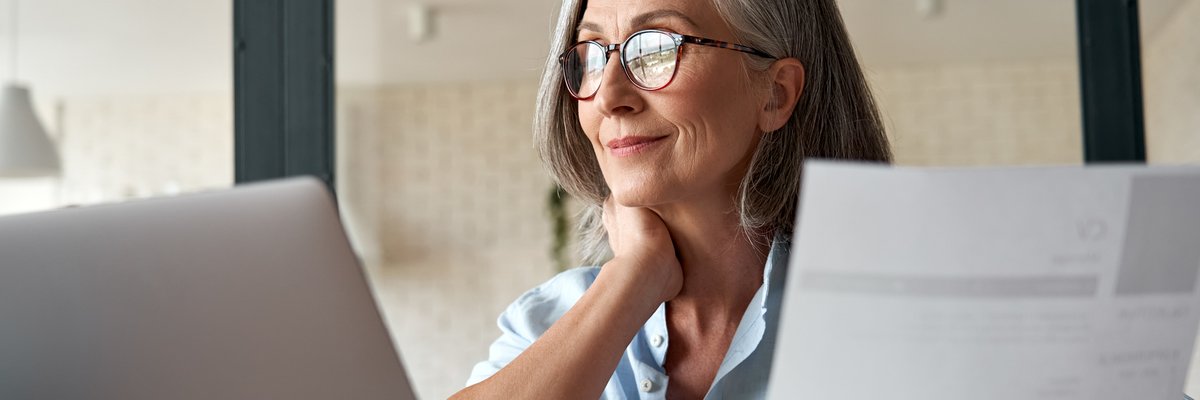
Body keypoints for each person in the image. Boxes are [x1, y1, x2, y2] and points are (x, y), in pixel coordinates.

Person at [453, 0, 890, 398]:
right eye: (591, 53)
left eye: (657, 49)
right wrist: (634, 278)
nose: (608, 97)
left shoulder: (884, 310)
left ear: (775, 93)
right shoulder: (542, 323)